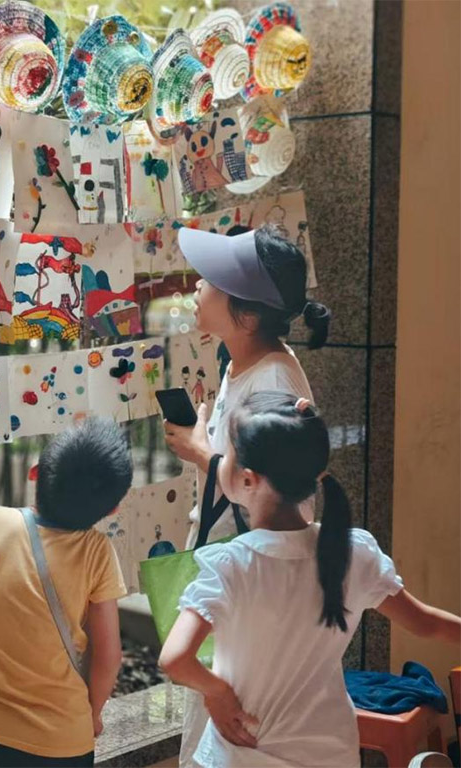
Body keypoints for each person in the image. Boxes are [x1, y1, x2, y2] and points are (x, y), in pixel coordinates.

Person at [160, 392, 461, 768]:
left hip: (240, 754)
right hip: (330, 752)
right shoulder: (354, 553)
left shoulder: (232, 564)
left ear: (248, 479)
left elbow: (175, 659)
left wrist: (216, 692)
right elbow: (426, 623)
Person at [165, 225, 330, 766]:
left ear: (249, 316)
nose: (197, 285)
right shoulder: (240, 363)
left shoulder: (274, 381)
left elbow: (275, 493)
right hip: (232, 569)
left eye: (211, 280)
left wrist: (200, 453)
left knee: (235, 728)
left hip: (253, 583)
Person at [0, 418, 133, 767]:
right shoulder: (97, 552)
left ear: (35, 474)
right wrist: (93, 714)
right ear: (113, 508)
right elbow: (108, 656)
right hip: (57, 743)